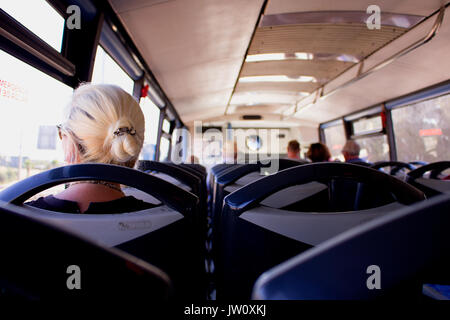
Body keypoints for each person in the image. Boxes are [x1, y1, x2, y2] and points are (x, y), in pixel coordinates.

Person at [26, 84, 156, 214]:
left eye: (62, 134)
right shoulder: (163, 219)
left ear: (71, 142)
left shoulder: (18, 216)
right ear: (132, 146)